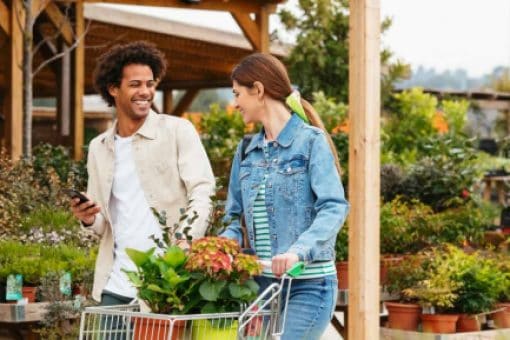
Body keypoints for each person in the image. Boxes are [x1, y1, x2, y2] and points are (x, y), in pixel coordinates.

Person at [70, 41, 215, 306]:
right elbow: (104, 225)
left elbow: (203, 191)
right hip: (114, 285)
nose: (145, 92)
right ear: (113, 89)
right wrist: (88, 219)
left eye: (150, 84)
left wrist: (184, 241)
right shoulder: (99, 148)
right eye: (135, 84)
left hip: (168, 285)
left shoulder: (177, 131)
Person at [221, 53, 349, 340]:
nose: (235, 103)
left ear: (259, 90)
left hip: (310, 285)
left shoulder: (310, 142)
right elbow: (233, 217)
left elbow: (333, 207)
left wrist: (297, 251)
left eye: (238, 94)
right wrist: (222, 248)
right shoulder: (246, 151)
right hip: (262, 287)